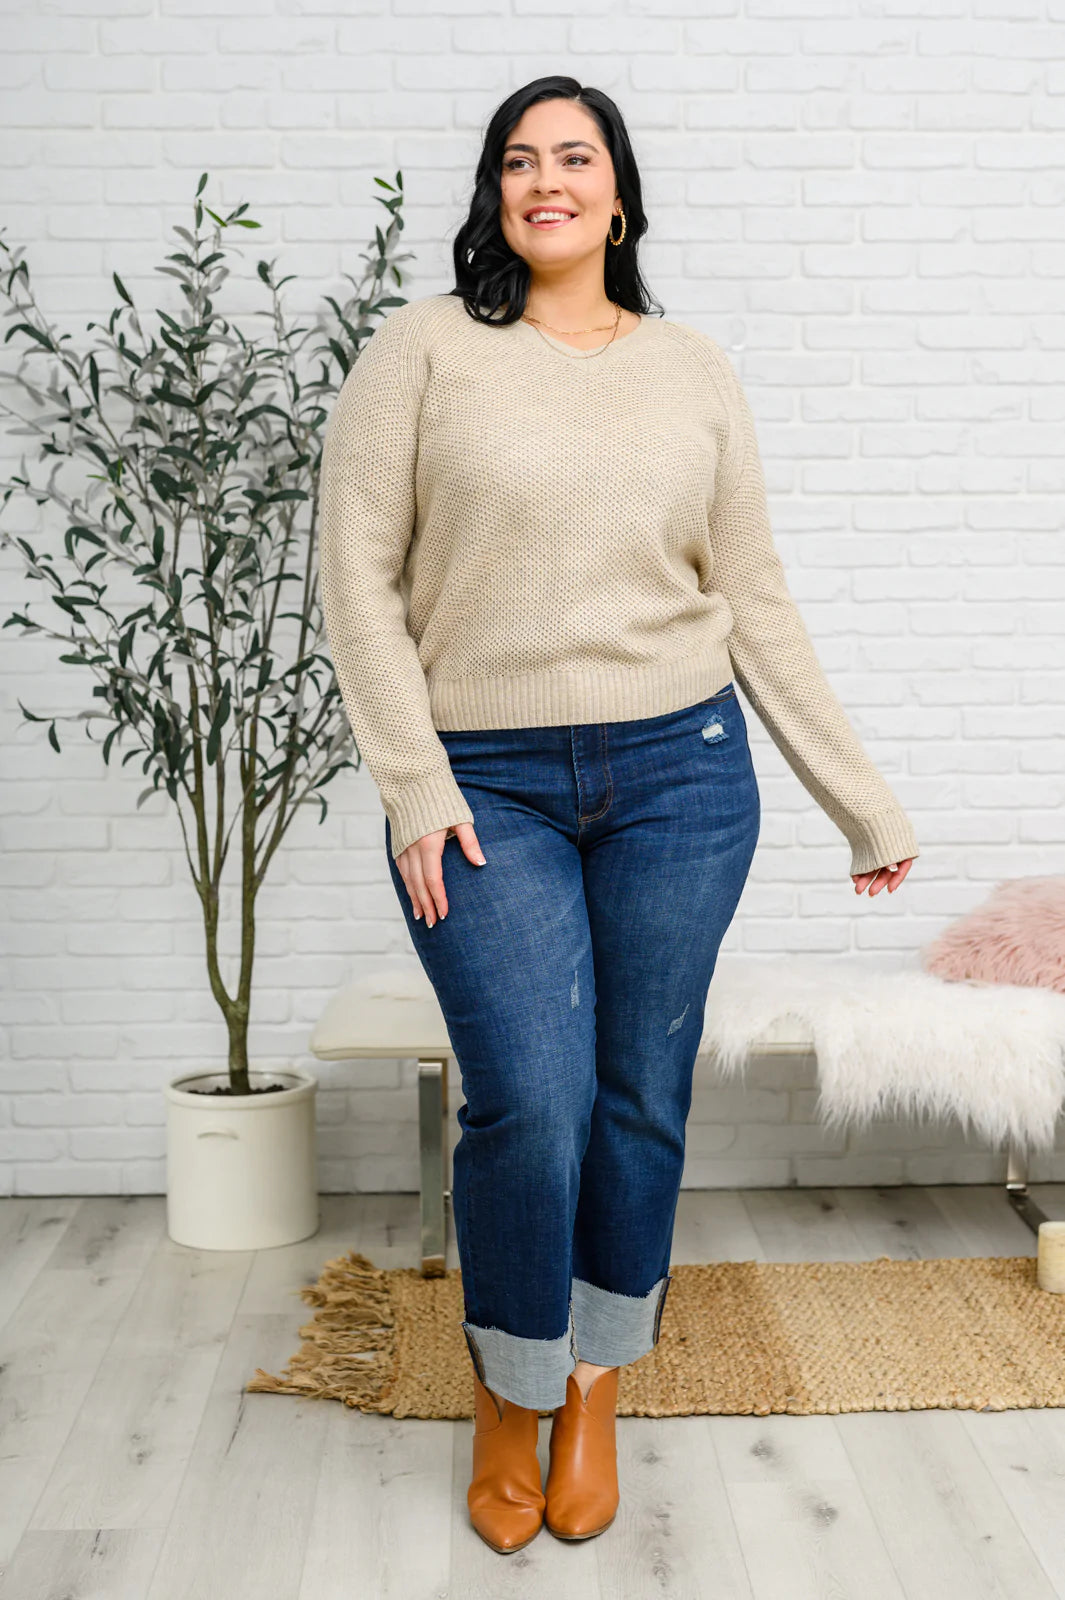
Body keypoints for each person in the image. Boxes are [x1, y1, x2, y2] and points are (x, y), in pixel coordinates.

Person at [317, 76, 918, 1556]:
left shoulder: (693, 368)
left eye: (573, 157)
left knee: (641, 1092)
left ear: (619, 195)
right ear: (494, 195)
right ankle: (508, 1390)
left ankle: (589, 1389)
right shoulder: (422, 352)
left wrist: (859, 798)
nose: (546, 180)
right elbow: (355, 579)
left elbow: (750, 592)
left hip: (680, 775)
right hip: (482, 784)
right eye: (518, 160)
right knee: (531, 1099)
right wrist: (414, 782)